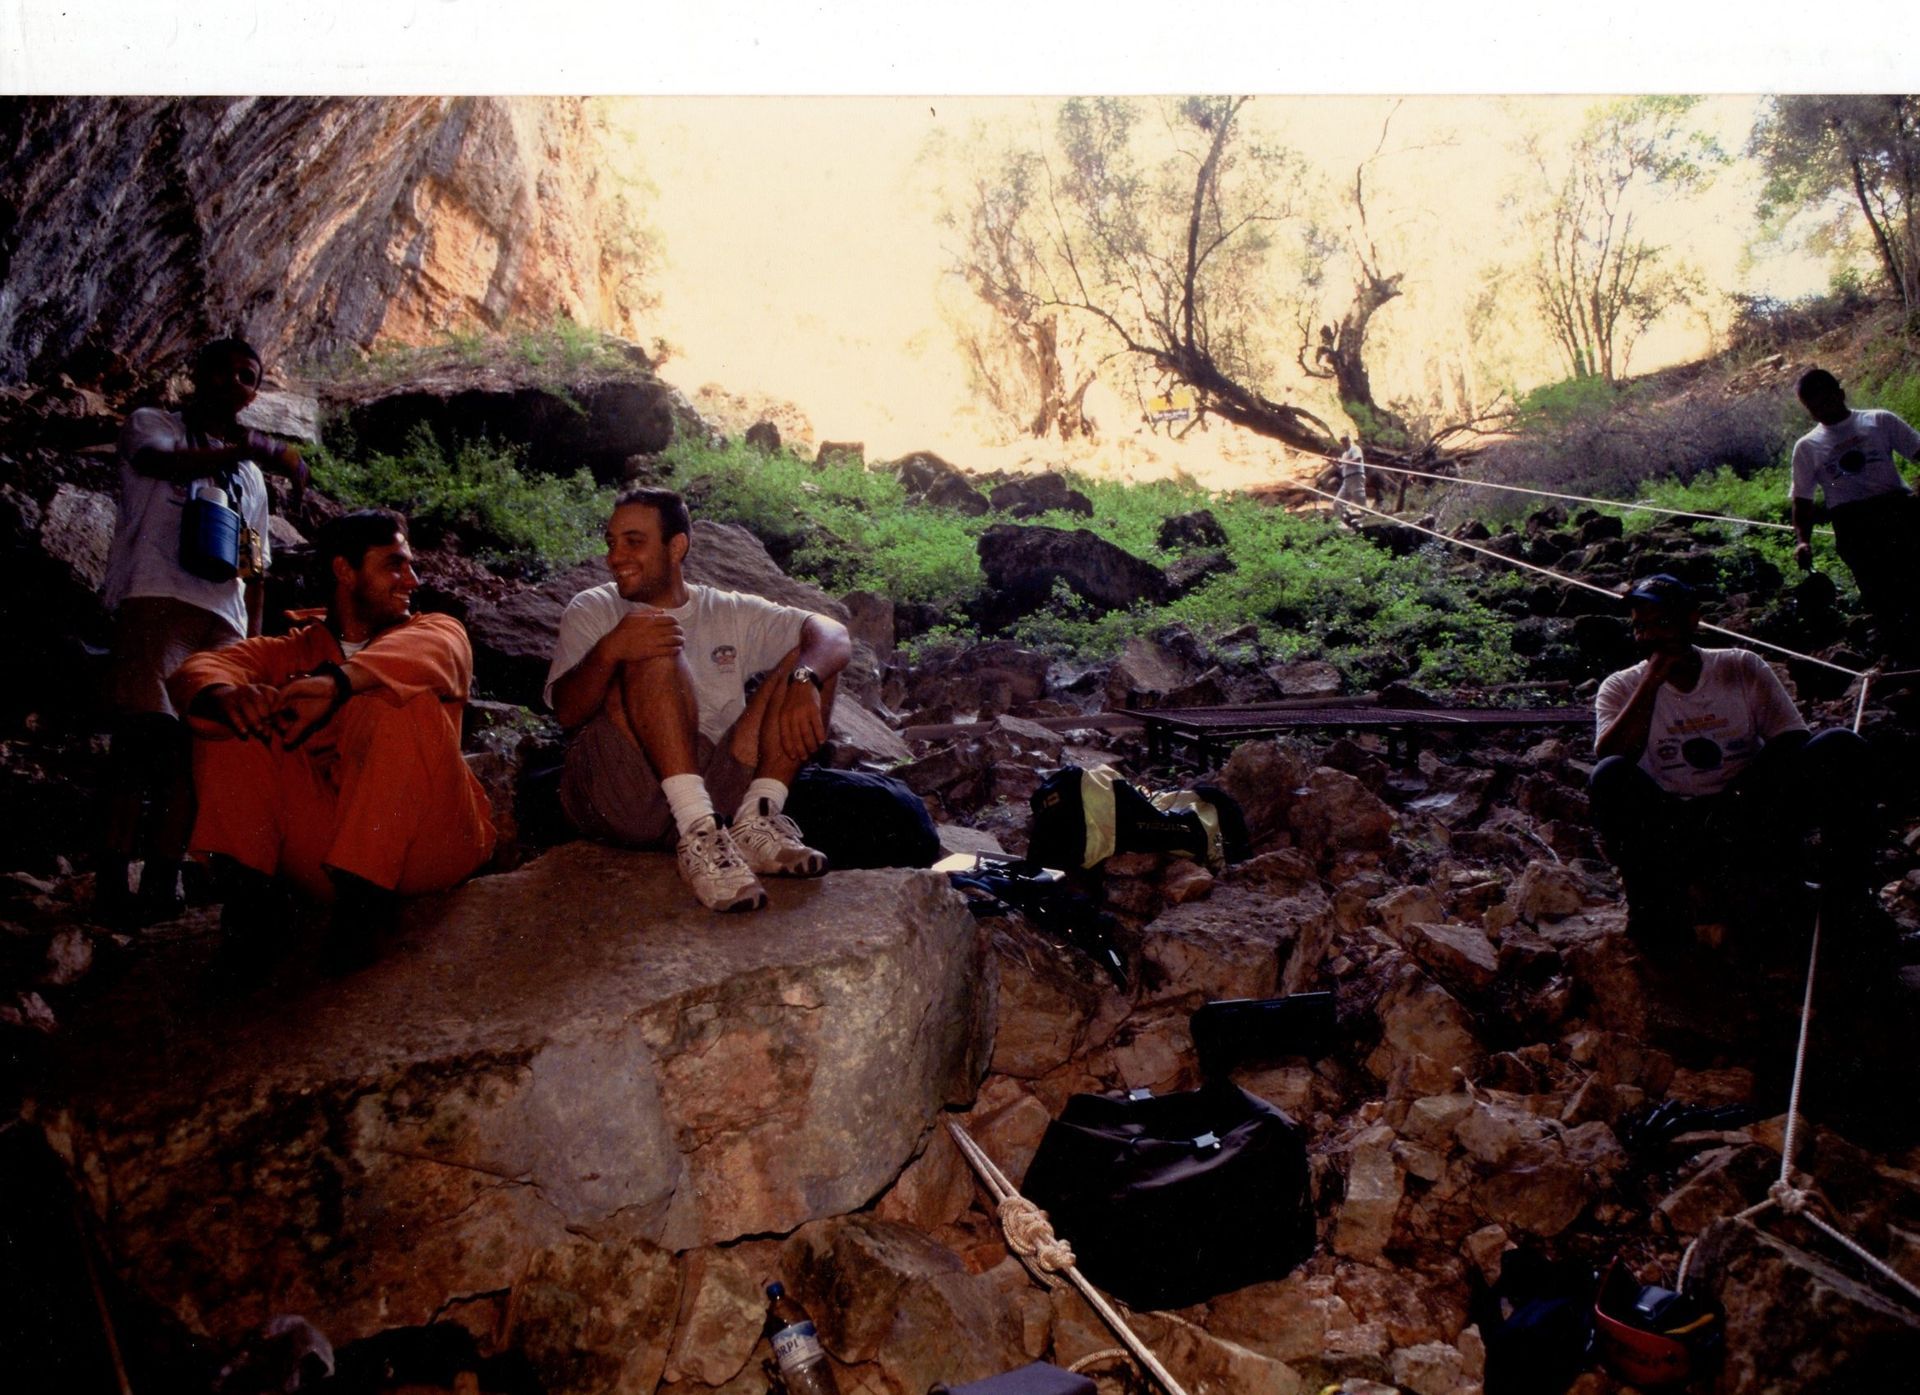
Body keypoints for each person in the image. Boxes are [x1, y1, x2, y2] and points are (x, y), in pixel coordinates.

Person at [169, 510, 496, 972]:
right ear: (345, 571)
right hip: (330, 858)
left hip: (429, 845)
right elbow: (197, 670)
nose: (412, 579)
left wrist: (338, 685)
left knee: (398, 702)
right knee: (232, 719)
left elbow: (442, 650)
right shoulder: (289, 651)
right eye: (394, 565)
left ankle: (363, 918)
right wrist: (223, 695)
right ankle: (252, 912)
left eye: (410, 565)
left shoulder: (432, 629)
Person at [546, 487, 852, 912]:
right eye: (611, 543)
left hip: (717, 786)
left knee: (813, 654)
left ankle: (756, 818)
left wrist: (805, 676)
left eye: (633, 542)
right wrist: (610, 650)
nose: (615, 557)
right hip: (623, 792)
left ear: (677, 547)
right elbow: (566, 712)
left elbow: (832, 632)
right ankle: (698, 834)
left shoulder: (725, 609)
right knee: (651, 637)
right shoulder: (591, 608)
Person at [97, 337, 309, 926]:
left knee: (198, 753)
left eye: (249, 376)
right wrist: (254, 448)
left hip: (222, 621)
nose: (235, 383)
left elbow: (255, 566)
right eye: (225, 370)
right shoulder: (152, 424)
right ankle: (112, 878)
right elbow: (156, 463)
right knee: (139, 741)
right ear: (199, 374)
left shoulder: (251, 477)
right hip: (154, 598)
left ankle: (163, 879)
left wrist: (252, 651)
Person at [1589, 574, 1876, 946]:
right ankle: (1655, 909)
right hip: (1680, 823)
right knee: (1610, 775)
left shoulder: (1741, 666)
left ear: (1692, 620)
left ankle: (1849, 896)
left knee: (1841, 745)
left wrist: (1742, 797)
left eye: (1662, 623)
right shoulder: (1620, 686)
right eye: (1640, 627)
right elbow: (1612, 757)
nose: (1649, 637)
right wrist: (1651, 683)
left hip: (1749, 813)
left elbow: (1791, 742)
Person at [1789, 368, 1920, 660]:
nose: (1821, 410)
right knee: (1878, 592)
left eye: (1825, 401)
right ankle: (1899, 656)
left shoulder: (1878, 420)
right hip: (1853, 524)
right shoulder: (1807, 447)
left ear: (1840, 394)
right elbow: (1802, 500)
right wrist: (1802, 540)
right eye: (1813, 407)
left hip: (1897, 510)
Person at [1316, 436, 1368, 525]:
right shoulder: (1344, 454)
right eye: (1342, 442)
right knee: (1337, 503)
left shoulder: (1355, 448)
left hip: (1356, 477)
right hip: (1346, 480)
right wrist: (1332, 462)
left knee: (1360, 500)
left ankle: (1367, 520)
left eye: (1345, 441)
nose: (1344, 443)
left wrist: (1343, 461)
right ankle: (1342, 523)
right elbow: (1341, 468)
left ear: (1349, 441)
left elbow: (1358, 459)